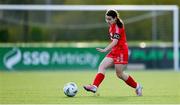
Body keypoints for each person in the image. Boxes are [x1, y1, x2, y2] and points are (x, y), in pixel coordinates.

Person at [83, 9, 143, 96]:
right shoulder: (112, 25)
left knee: (119, 74)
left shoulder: (118, 26)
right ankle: (94, 86)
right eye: (106, 19)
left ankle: (138, 86)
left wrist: (105, 49)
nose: (107, 21)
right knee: (102, 66)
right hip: (115, 50)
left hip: (121, 51)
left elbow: (115, 41)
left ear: (115, 18)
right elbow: (114, 43)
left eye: (109, 19)